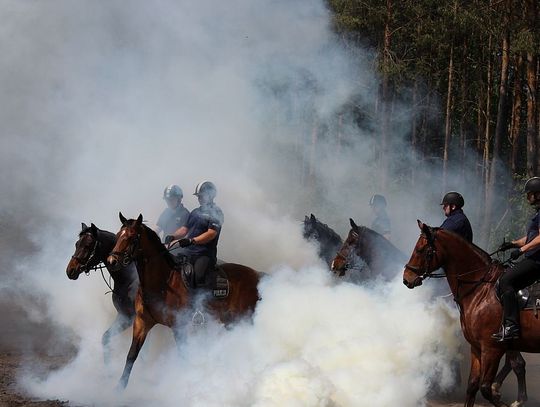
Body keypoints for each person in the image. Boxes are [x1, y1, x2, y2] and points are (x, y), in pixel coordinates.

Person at [494, 177, 540, 341]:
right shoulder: (537, 214)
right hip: (533, 258)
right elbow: (530, 237)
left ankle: (512, 326)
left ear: (537, 194)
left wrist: (521, 250)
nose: (528, 198)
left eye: (530, 194)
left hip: (536, 262)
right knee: (508, 283)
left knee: (505, 280)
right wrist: (512, 244)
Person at [165, 181, 224, 287]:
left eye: (202, 196)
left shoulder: (216, 212)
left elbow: (211, 233)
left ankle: (201, 302)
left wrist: (192, 240)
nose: (199, 198)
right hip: (188, 252)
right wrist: (173, 236)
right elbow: (184, 229)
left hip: (204, 254)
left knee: (198, 277)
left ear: (210, 195)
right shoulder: (195, 212)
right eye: (198, 196)